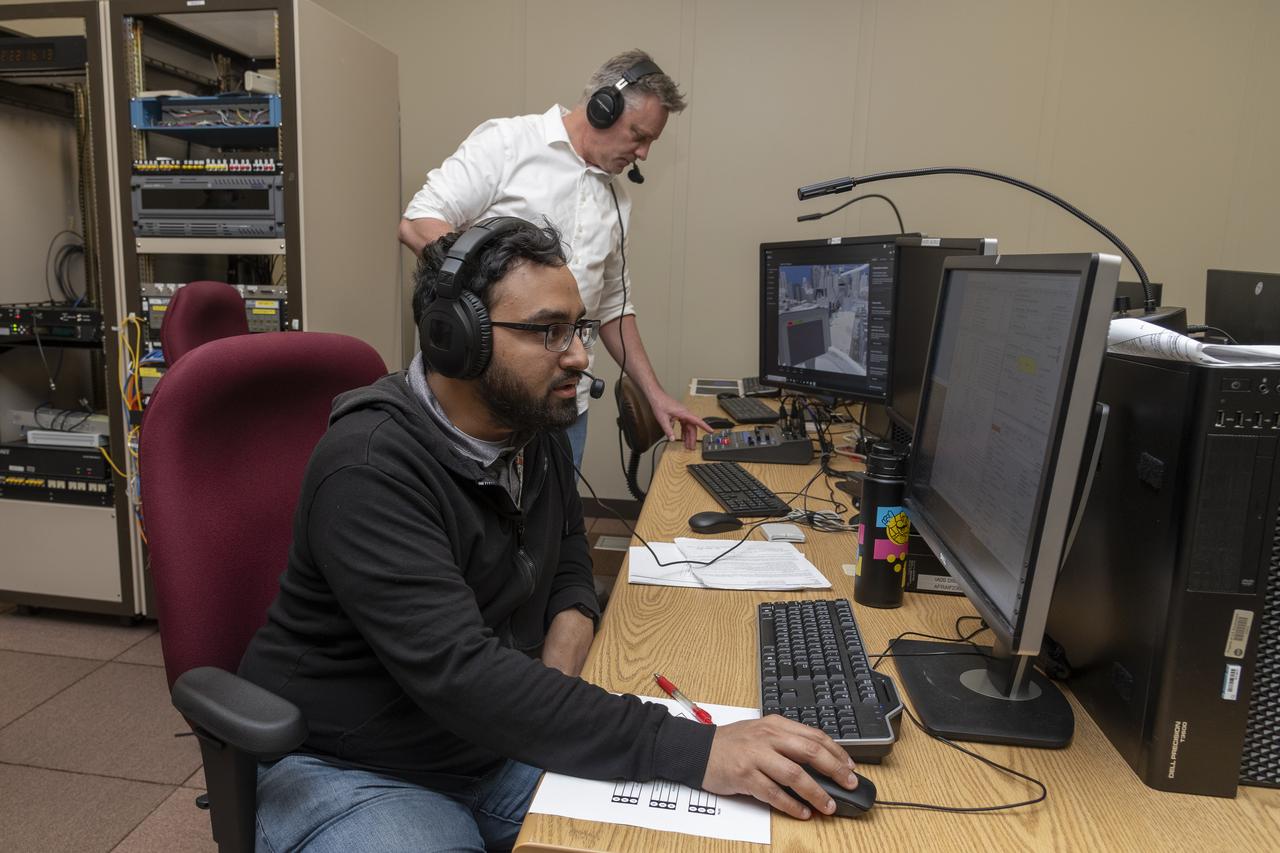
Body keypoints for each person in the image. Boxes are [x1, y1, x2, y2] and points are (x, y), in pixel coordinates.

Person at [240, 218, 862, 852]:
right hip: (353, 765)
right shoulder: (369, 468)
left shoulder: (530, 433)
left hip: (486, 737)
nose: (579, 356)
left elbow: (566, 551)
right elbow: (463, 675)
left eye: (578, 328)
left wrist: (571, 624)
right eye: (547, 332)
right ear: (457, 340)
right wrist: (697, 747)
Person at [399, 48, 710, 469]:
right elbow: (418, 223)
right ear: (604, 107)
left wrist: (656, 396)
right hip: (486, 395)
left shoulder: (616, 199)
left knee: (553, 529)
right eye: (639, 136)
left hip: (564, 403)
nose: (643, 154)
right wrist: (494, 286)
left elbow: (615, 311)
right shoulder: (508, 143)